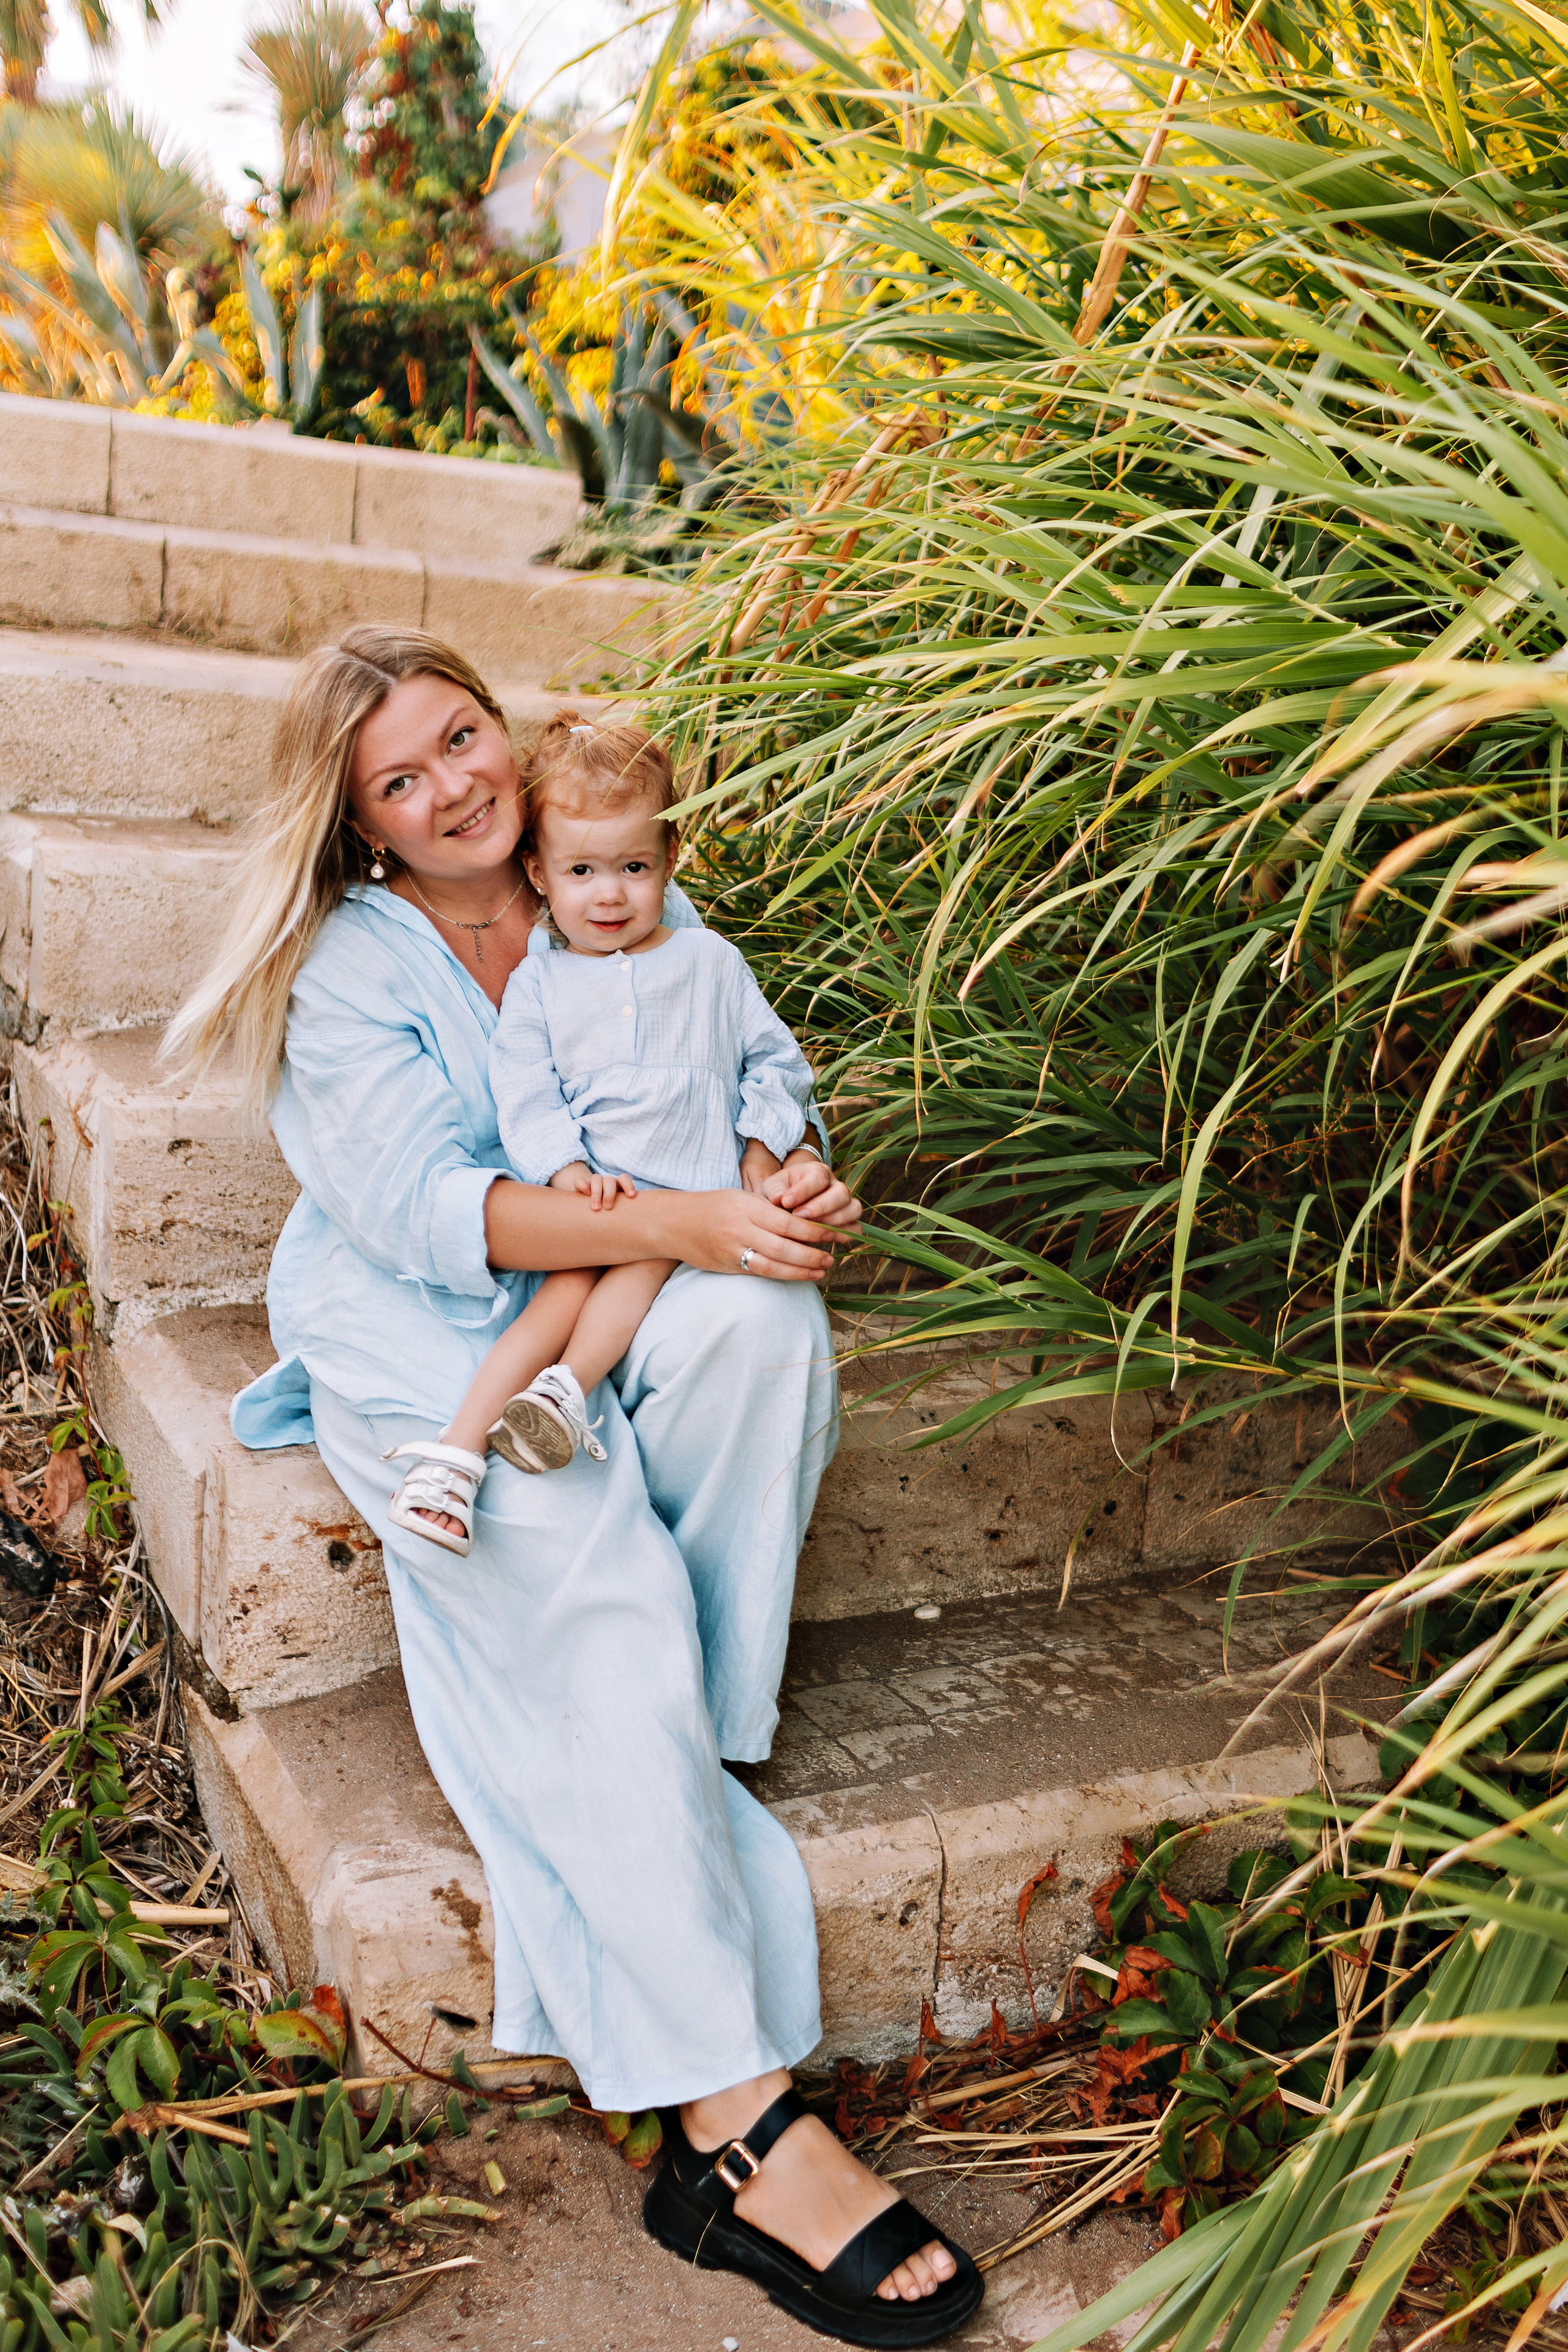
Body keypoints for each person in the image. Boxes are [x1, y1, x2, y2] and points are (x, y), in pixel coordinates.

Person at [165, 625, 982, 2346]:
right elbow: (432, 1216)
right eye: (404, 775)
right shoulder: (350, 973)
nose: (454, 783)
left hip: (628, 1279)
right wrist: (687, 1222)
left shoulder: (601, 882)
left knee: (767, 1326)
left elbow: (739, 1063)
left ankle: (681, 1743)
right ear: (364, 821)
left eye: (464, 737)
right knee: (573, 1564)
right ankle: (732, 2121)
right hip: (423, 1322)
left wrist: (777, 1181)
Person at [383, 710, 824, 1556]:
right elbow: (525, 1089)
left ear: (669, 863)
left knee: (626, 1272)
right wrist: (564, 1170)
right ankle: (455, 1459)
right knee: (556, 1302)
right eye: (582, 870)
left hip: (694, 1188)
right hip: (602, 1197)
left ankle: (561, 1394)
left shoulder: (709, 963)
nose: (610, 893)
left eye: (634, 866)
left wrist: (765, 1149)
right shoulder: (540, 982)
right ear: (540, 875)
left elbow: (777, 1064)